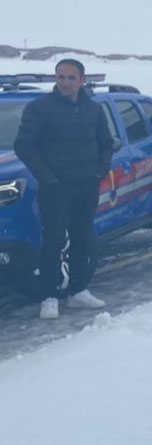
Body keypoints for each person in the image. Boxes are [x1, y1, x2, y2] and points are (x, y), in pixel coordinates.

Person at [14, 59, 114, 319]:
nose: (65, 82)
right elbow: (23, 145)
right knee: (54, 240)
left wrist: (101, 169)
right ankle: (49, 297)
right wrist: (47, 178)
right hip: (55, 187)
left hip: (87, 184)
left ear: (82, 79)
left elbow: (106, 143)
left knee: (82, 238)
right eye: (61, 77)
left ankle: (78, 291)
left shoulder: (93, 109)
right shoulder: (40, 108)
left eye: (71, 77)